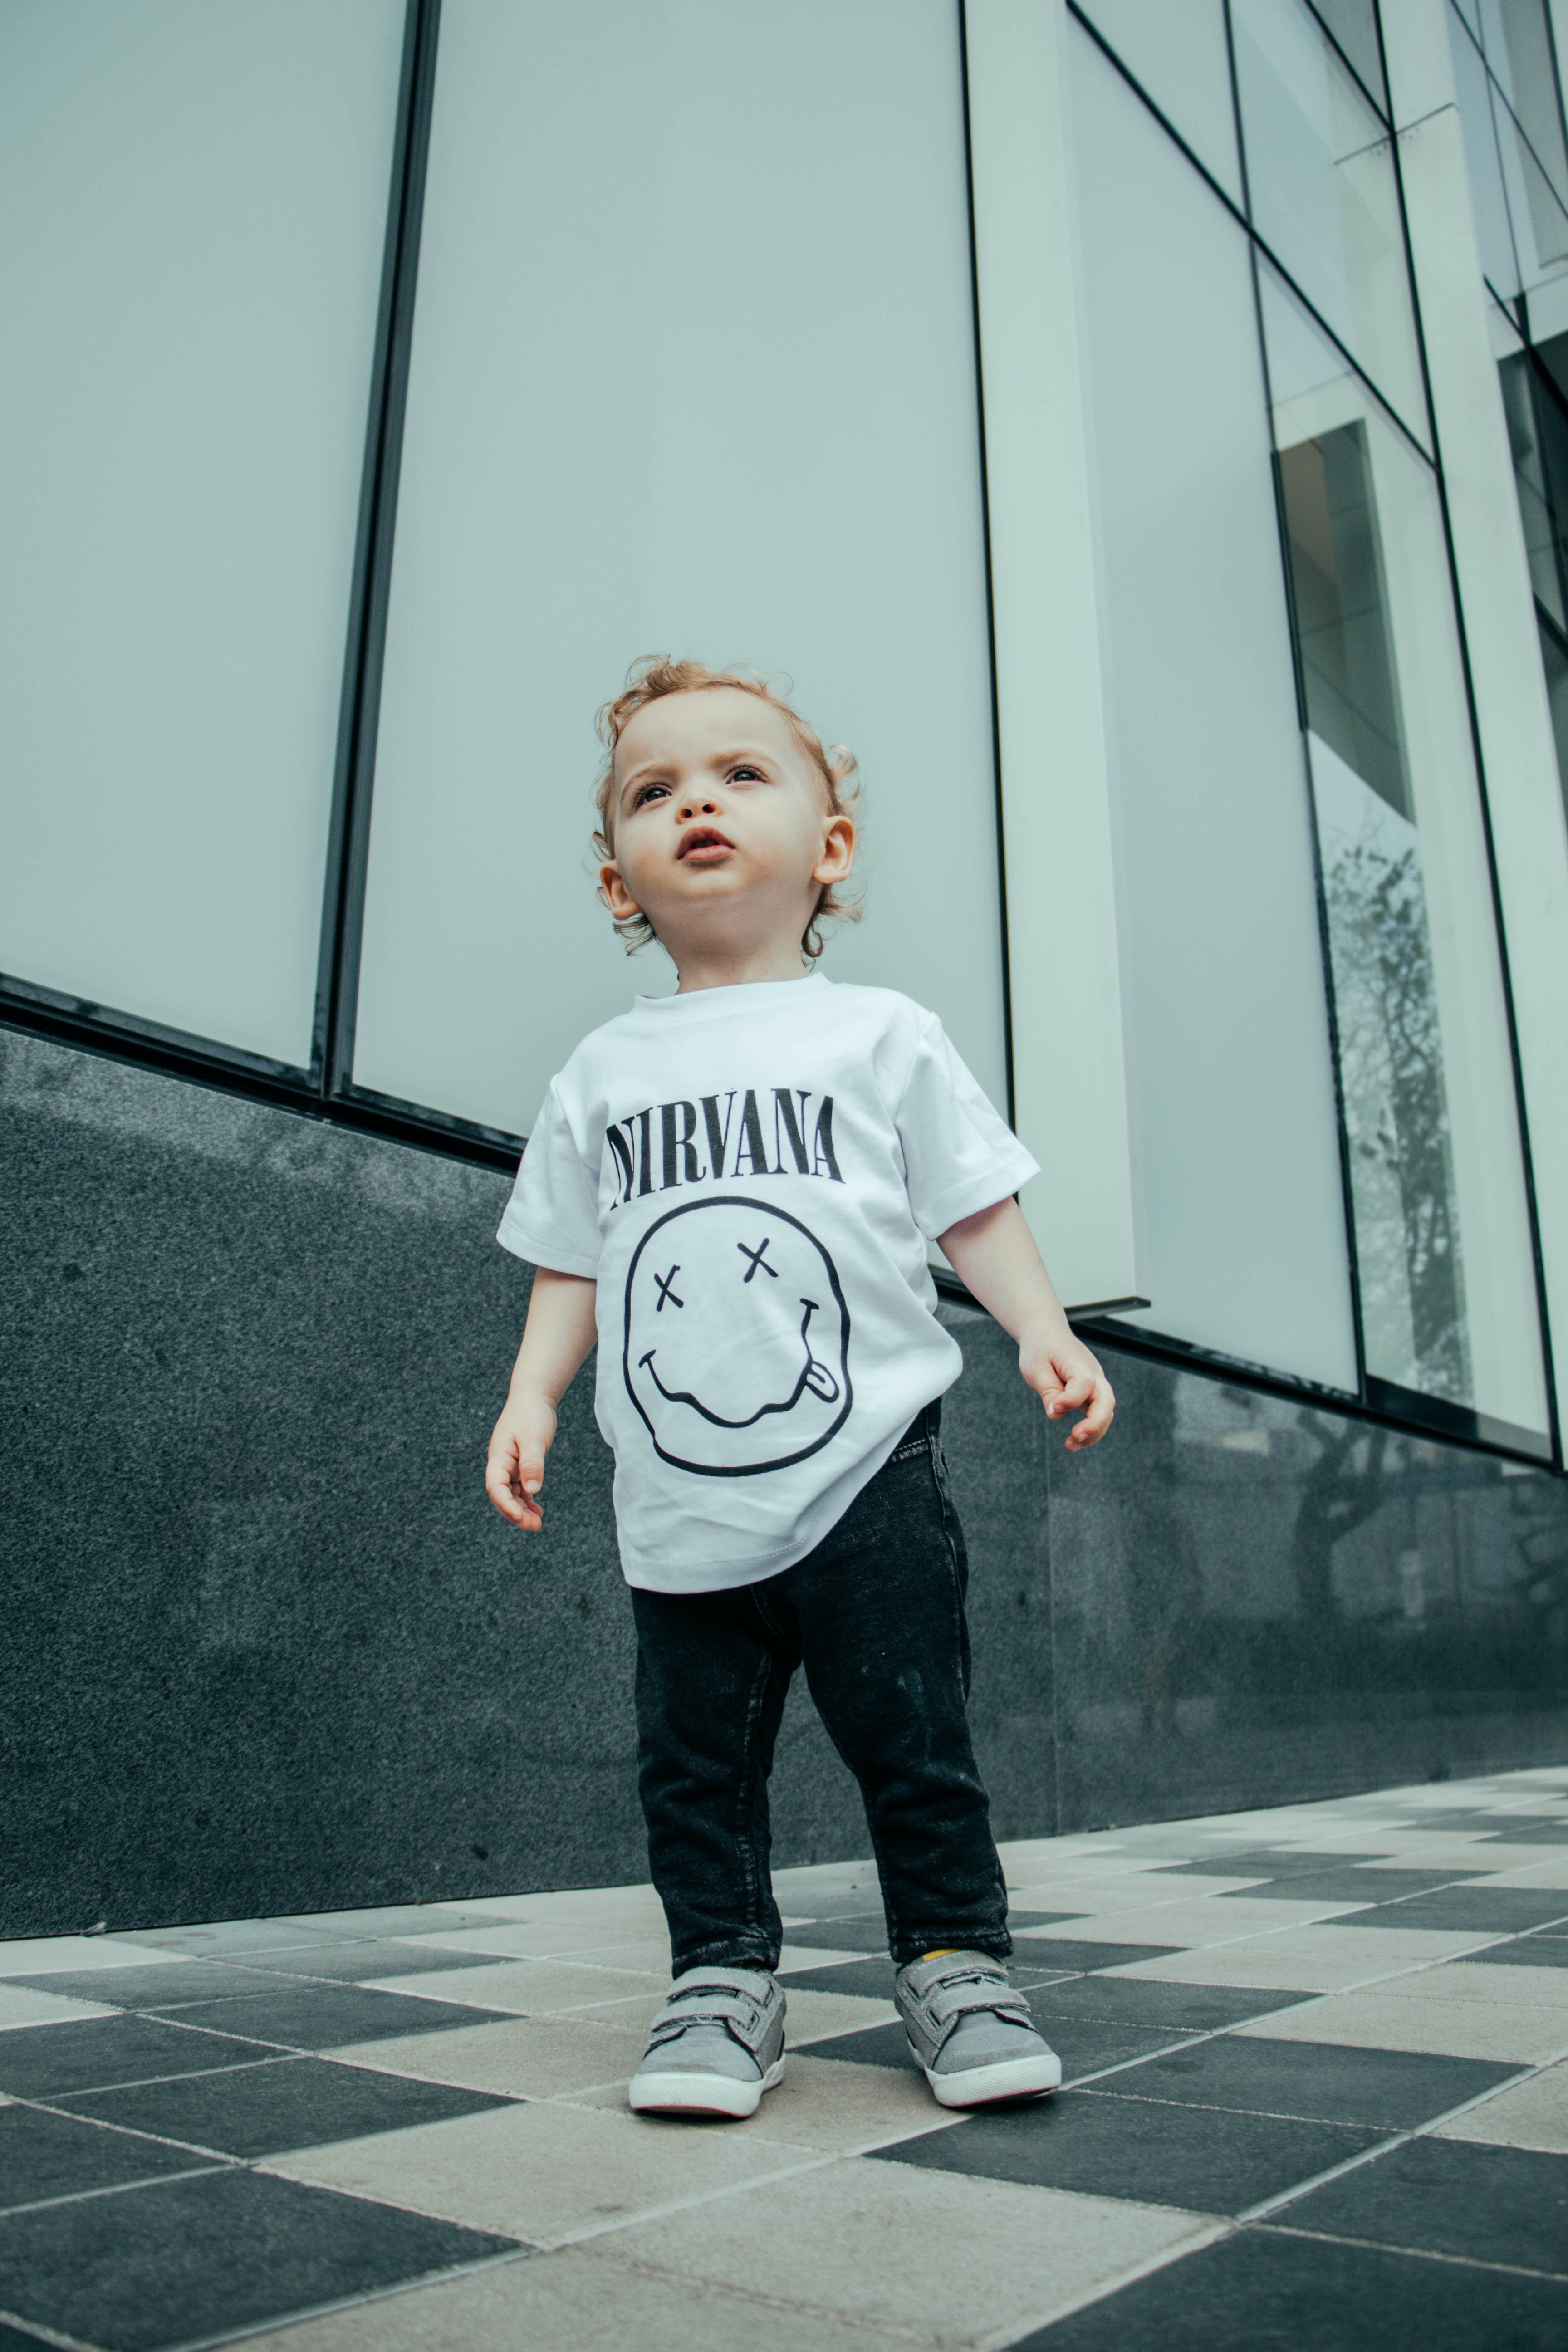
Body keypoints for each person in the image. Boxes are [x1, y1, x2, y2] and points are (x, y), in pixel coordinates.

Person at [484, 657, 1115, 2120]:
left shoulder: (879, 1035)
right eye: (655, 790)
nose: (696, 801)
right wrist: (531, 1396)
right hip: (679, 1506)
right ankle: (719, 1980)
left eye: (740, 774)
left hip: (869, 1476)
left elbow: (972, 1204)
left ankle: (957, 1964)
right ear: (618, 880)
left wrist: (1042, 1325)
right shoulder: (602, 1072)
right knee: (692, 1768)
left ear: (830, 847)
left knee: (916, 1741)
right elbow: (572, 1260)